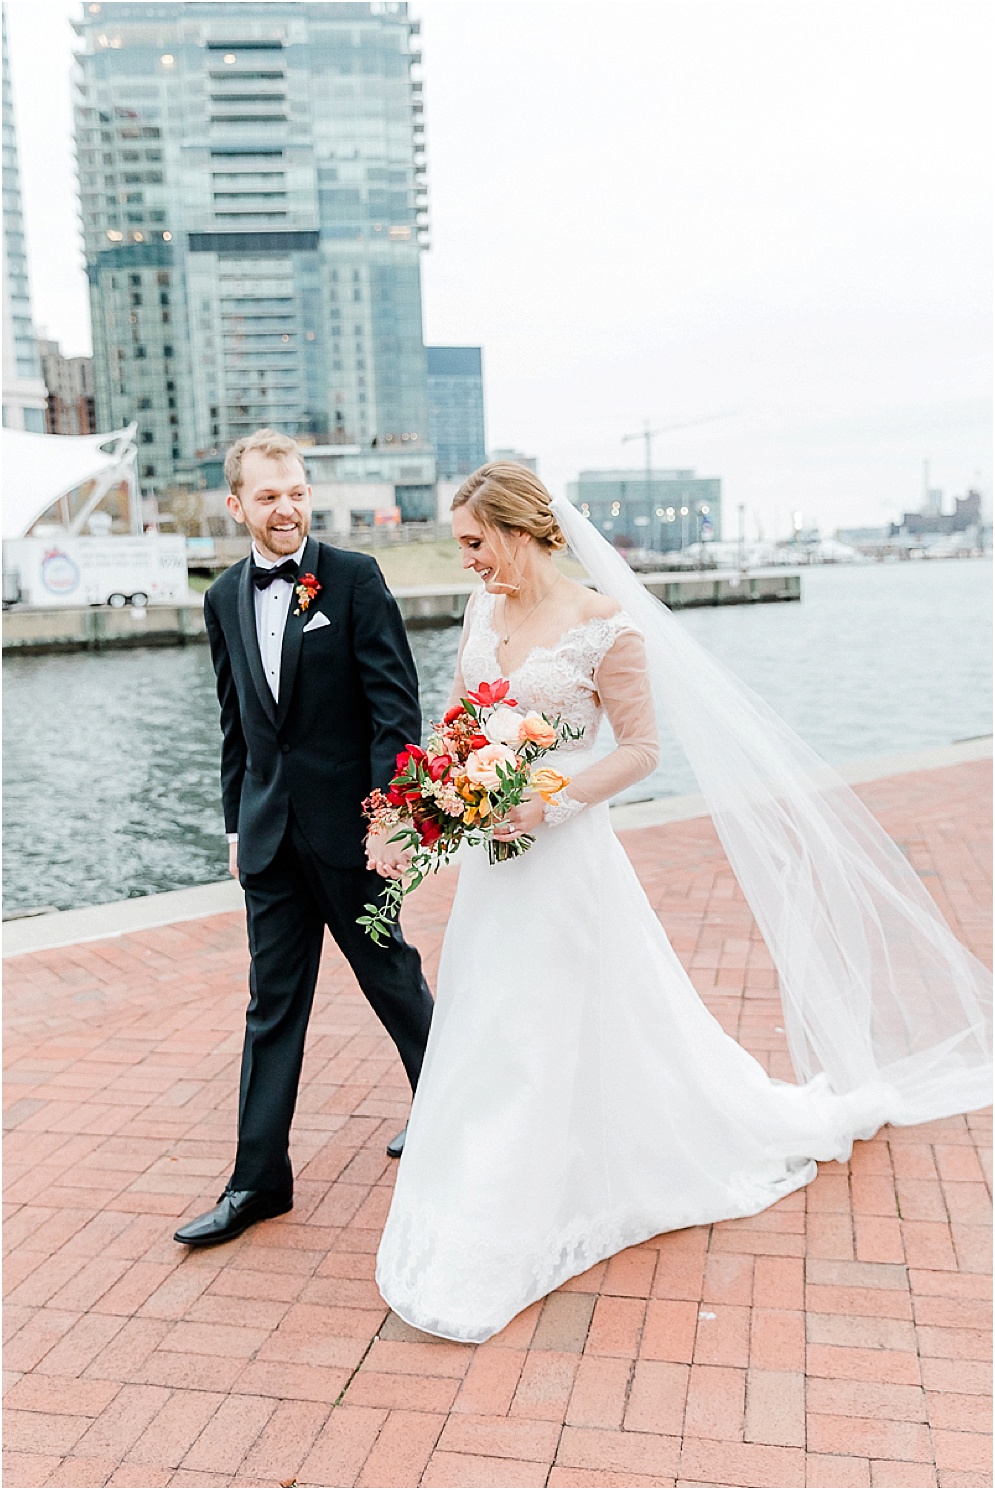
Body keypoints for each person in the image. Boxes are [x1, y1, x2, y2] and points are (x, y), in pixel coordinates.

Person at [374, 461, 991, 1343]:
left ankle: (530, 1207)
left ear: (517, 531)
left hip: (563, 850)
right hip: (495, 862)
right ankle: (490, 1193)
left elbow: (641, 750)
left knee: (546, 1020)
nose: (464, 558)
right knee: (490, 1015)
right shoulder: (482, 608)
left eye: (473, 541)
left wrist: (546, 800)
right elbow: (461, 723)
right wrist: (441, 794)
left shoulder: (602, 625)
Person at [174, 429, 433, 1248]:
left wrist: (391, 813)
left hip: (354, 837)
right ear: (236, 505)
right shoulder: (221, 598)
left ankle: (449, 1117)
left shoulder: (354, 579)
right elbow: (236, 727)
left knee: (391, 979)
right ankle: (258, 1182)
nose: (284, 509)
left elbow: (395, 708)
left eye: (294, 493)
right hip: (267, 840)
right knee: (270, 1007)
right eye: (267, 496)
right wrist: (231, 824)